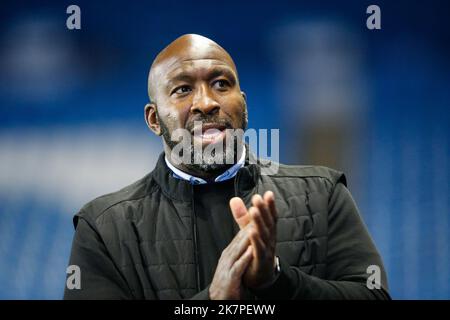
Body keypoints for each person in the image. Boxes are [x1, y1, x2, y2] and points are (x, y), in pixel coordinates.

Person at [63, 34, 390, 300]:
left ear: (243, 105)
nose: (206, 102)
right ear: (153, 120)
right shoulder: (103, 228)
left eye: (221, 84)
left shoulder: (323, 194)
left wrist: (277, 281)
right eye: (182, 89)